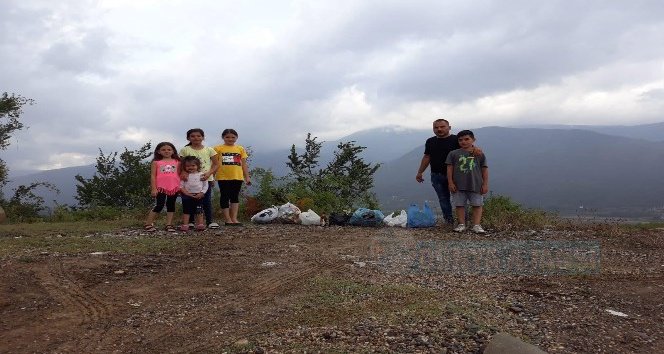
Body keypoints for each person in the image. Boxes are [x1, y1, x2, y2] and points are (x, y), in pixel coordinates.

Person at [445, 130, 489, 233]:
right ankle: (461, 224)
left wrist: (485, 184)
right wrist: (450, 182)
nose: (463, 142)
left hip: (475, 184)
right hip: (458, 184)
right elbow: (449, 169)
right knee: (459, 205)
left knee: (477, 204)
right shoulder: (453, 154)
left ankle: (476, 225)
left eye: (466, 139)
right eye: (460, 140)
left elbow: (485, 169)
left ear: (473, 140)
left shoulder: (479, 154)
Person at [179, 128, 220, 229]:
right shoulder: (185, 150)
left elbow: (216, 164)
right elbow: (181, 164)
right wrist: (184, 173)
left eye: (198, 136)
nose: (196, 138)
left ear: (203, 137)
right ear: (188, 138)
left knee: (206, 200)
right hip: (189, 179)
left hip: (205, 179)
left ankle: (209, 221)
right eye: (192, 136)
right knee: (189, 200)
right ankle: (191, 222)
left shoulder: (209, 150)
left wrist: (209, 174)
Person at [214, 129, 251, 225]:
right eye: (227, 137)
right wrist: (212, 177)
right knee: (225, 196)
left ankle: (234, 218)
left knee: (235, 197)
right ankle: (227, 219)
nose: (230, 139)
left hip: (237, 176)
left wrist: (247, 177)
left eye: (233, 137)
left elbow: (244, 164)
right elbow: (214, 164)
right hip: (223, 176)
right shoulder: (218, 149)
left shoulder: (240, 149)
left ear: (236, 138)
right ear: (223, 137)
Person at [144, 142, 181, 232]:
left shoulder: (178, 162)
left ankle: (169, 224)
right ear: (158, 151)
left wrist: (180, 187)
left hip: (174, 187)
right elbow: (153, 176)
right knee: (159, 205)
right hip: (160, 187)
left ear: (173, 151)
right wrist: (153, 188)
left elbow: (180, 175)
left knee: (171, 205)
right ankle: (148, 223)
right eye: (163, 150)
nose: (166, 151)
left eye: (169, 149)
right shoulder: (156, 162)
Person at [179, 156, 209, 231]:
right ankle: (185, 225)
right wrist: (187, 194)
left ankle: (200, 224)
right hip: (187, 196)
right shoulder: (185, 176)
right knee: (186, 210)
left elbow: (205, 185)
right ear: (184, 167)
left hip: (199, 195)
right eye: (188, 166)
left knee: (199, 210)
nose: (191, 167)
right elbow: (181, 186)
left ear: (198, 166)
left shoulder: (202, 174)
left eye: (193, 165)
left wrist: (202, 193)